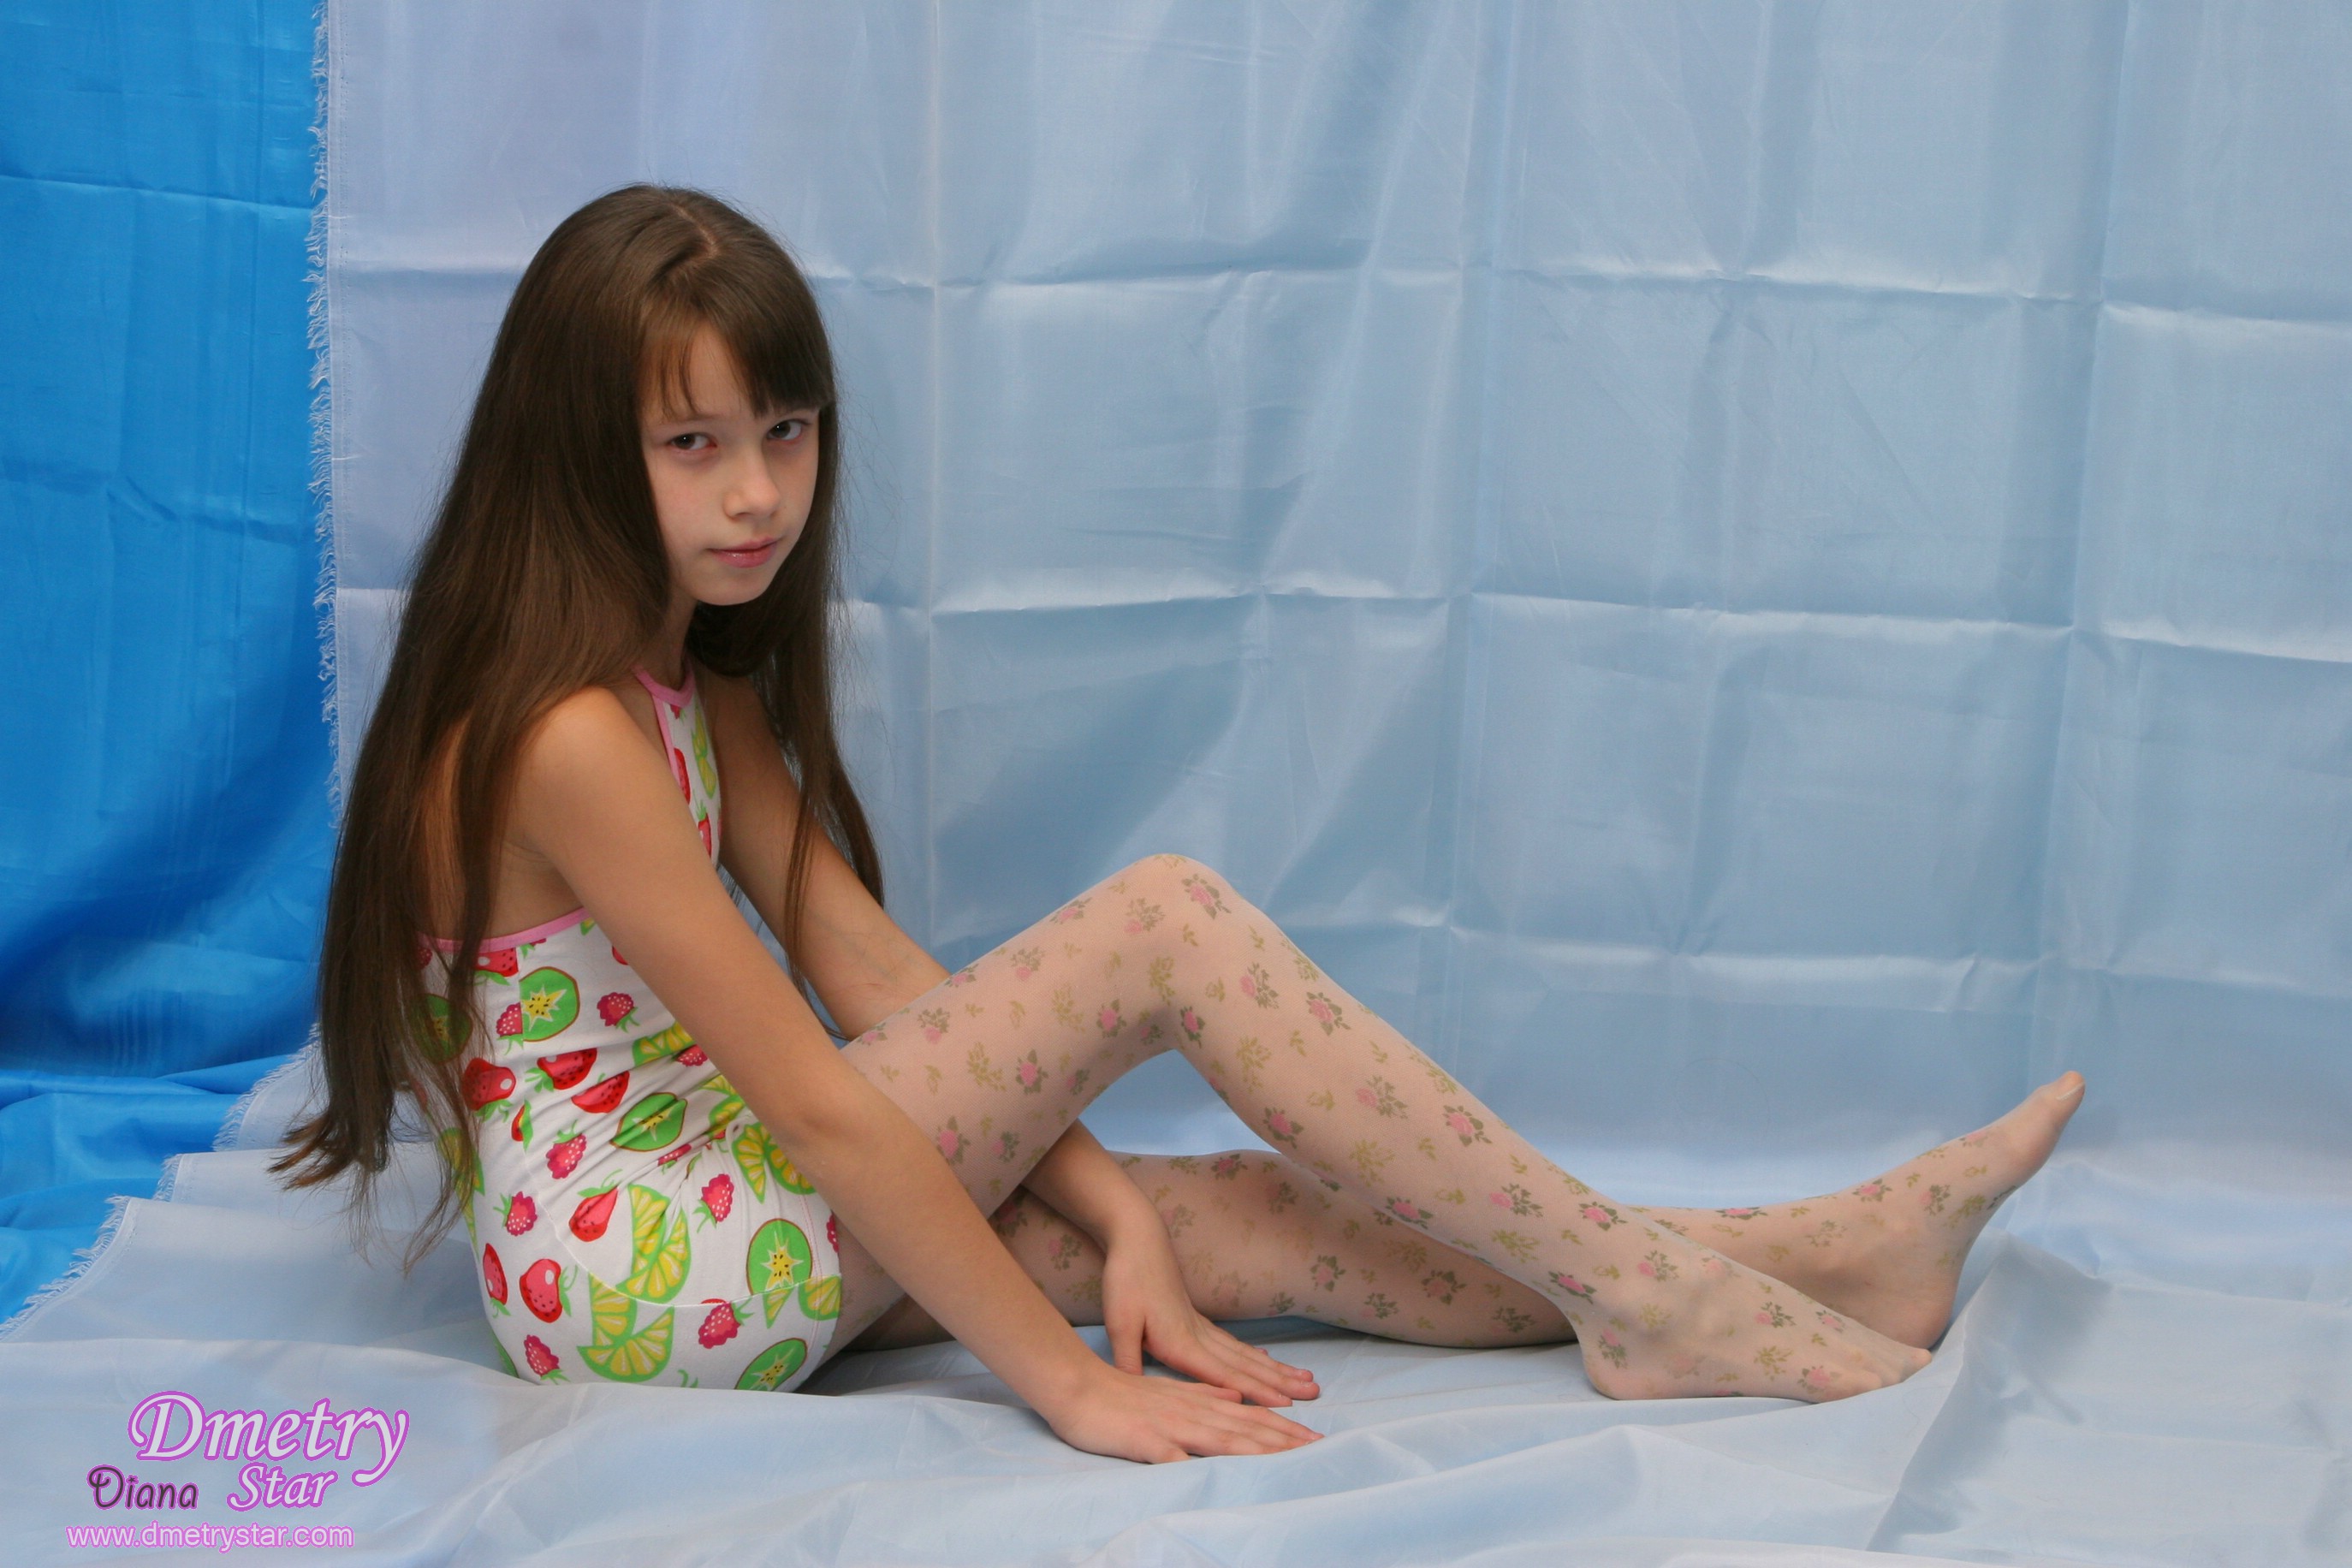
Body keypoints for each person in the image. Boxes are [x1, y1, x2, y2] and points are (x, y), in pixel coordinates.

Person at [279, 185, 2086, 1464]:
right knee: (1163, 923)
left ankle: (1808, 1251)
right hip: (644, 1269)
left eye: (789, 430)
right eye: (693, 445)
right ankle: (1652, 1293)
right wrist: (1068, 1388)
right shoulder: (566, 737)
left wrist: (1100, 1209)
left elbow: (883, 984)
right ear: (575, 450)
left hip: (725, 1227)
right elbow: (826, 1098)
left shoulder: (691, 684)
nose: (759, 493)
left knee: (1250, 1224)